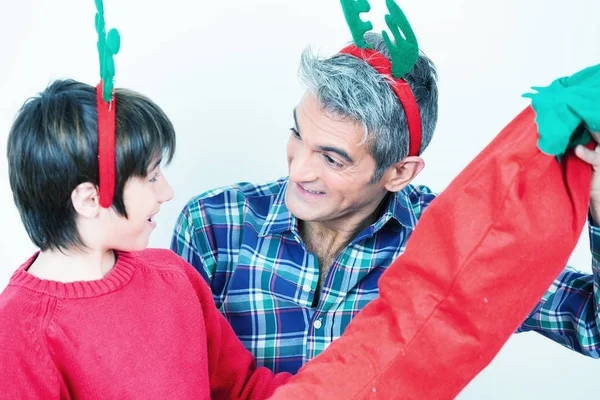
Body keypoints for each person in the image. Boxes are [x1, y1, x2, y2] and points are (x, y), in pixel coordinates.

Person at [171, 32, 600, 374]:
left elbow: (592, 328)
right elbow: (172, 376)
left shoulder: (461, 243)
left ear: (400, 172)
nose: (298, 170)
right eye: (298, 134)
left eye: (332, 158)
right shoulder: (214, 224)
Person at [0, 80, 293, 398]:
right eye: (152, 176)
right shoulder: (18, 331)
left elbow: (243, 389)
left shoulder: (173, 276)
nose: (167, 193)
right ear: (89, 199)